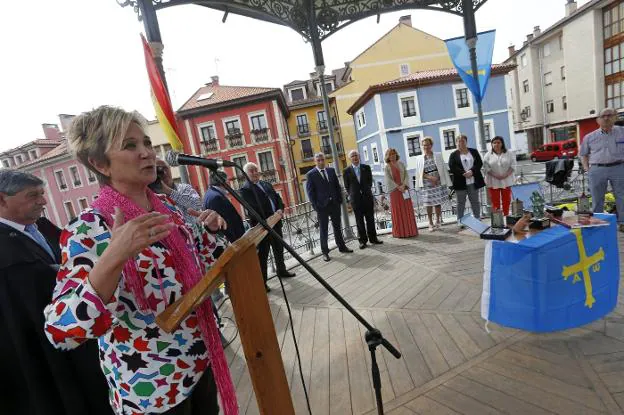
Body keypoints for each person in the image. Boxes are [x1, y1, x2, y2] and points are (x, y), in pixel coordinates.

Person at [43, 106, 238, 415]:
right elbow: (61, 330)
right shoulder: (88, 228)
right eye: (130, 146)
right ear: (99, 163)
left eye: (146, 143)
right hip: (150, 390)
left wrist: (212, 233)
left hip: (200, 363)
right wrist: (114, 256)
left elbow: (208, 267)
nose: (147, 153)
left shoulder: (171, 209)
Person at [0, 170, 111, 415]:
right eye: (32, 196)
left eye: (42, 193)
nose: (43, 201)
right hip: (39, 353)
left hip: (75, 337)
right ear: (2, 200)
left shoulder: (39, 225)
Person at [240, 162, 295, 292]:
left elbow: (278, 198)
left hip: (276, 223)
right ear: (246, 174)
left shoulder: (266, 184)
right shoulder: (245, 189)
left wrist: (280, 210)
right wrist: (269, 218)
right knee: (262, 256)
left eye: (255, 170)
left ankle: (282, 270)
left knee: (278, 249)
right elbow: (252, 208)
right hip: (261, 228)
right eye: (251, 171)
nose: (254, 173)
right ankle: (262, 283)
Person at [580, 107, 624, 231]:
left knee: (622, 196)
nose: (606, 118)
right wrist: (587, 169)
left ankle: (622, 222)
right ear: (597, 120)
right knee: (597, 197)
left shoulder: (622, 132)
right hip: (597, 169)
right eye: (603, 116)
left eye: (609, 115)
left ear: (615, 117)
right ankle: (598, 222)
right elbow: (583, 154)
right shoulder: (589, 137)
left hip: (619, 167)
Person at [305, 152, 353, 262]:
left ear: (325, 160)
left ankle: (342, 246)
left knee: (337, 226)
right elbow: (310, 193)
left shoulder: (331, 171)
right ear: (315, 162)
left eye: (322, 159)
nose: (321, 162)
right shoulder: (310, 174)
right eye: (319, 160)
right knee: (324, 229)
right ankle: (325, 252)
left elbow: (337, 186)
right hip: (322, 207)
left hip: (334, 204)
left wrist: (340, 200)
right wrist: (316, 207)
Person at [343, 149, 383, 249]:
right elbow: (347, 186)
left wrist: (365, 190)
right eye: (352, 156)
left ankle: (373, 238)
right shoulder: (346, 171)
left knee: (370, 219)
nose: (355, 157)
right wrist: (353, 194)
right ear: (350, 158)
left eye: (356, 155)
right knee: (359, 221)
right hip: (356, 200)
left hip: (367, 197)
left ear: (359, 156)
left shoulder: (366, 167)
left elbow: (370, 182)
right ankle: (362, 241)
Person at [413, 137, 451, 232]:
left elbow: (442, 168)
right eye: (424, 145)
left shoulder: (438, 155)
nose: (426, 146)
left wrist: (437, 178)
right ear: (422, 146)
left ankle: (438, 220)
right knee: (428, 204)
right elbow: (419, 172)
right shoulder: (419, 158)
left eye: (428, 144)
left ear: (431, 145)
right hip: (427, 183)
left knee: (437, 203)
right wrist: (430, 178)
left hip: (437, 182)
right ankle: (430, 222)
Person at [149, 158, 202, 224]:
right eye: (158, 170)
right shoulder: (152, 196)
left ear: (170, 169)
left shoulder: (184, 188)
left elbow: (197, 205)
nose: (164, 172)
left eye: (165, 168)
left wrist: (169, 192)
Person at [448, 134, 485, 227]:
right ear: (456, 143)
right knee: (460, 202)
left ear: (466, 142)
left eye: (463, 141)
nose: (461, 143)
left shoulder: (473, 151)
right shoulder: (453, 154)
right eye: (459, 141)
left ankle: (477, 217)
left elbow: (479, 163)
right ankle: (460, 220)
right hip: (460, 182)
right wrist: (463, 173)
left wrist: (471, 171)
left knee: (475, 201)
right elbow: (452, 167)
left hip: (473, 181)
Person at [203, 169, 246, 243]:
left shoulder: (212, 194)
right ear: (222, 181)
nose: (229, 182)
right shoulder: (216, 197)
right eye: (227, 180)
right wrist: (236, 242)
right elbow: (225, 224)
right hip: (233, 242)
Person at [384, 148, 418, 238]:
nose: (392, 156)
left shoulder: (401, 164)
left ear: (396, 155)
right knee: (397, 211)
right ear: (388, 156)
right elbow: (388, 180)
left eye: (394, 154)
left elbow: (407, 175)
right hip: (395, 192)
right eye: (390, 154)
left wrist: (404, 185)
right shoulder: (386, 167)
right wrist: (398, 187)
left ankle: (411, 231)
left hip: (404, 189)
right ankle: (400, 233)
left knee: (407, 210)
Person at [483, 136, 516, 216]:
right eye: (494, 143)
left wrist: (505, 175)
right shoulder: (487, 155)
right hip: (493, 181)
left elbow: (513, 165)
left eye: (498, 142)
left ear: (502, 144)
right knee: (495, 201)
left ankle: (506, 216)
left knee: (506, 200)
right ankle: (498, 220)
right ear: (491, 144)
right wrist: (495, 175)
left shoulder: (509, 153)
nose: (496, 144)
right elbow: (486, 167)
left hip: (506, 180)